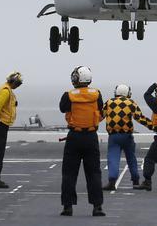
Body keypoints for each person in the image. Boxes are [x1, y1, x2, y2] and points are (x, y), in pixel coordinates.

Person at [58, 66, 105, 217]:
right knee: (94, 173)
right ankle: (97, 207)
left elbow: (62, 108)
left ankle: (68, 207)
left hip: (74, 136)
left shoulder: (69, 95)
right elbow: (100, 110)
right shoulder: (96, 94)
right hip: (91, 136)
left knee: (69, 173)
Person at [101, 84, 151, 191]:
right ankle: (136, 181)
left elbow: (99, 116)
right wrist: (153, 126)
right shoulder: (131, 103)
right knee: (131, 158)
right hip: (127, 136)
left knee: (113, 158)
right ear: (128, 93)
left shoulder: (109, 102)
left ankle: (112, 181)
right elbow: (140, 118)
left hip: (114, 136)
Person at [0, 71, 22, 188]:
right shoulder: (6, 91)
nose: (17, 86)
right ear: (14, 82)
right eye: (17, 84)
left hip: (0, 124)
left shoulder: (5, 89)